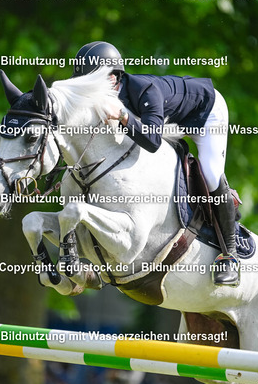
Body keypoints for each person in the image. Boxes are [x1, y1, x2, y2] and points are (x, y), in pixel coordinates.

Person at [72, 41, 239, 286]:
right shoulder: (106, 97)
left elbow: (152, 142)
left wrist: (124, 116)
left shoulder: (146, 91)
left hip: (206, 114)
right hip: (172, 120)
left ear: (112, 79)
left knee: (211, 174)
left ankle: (230, 256)